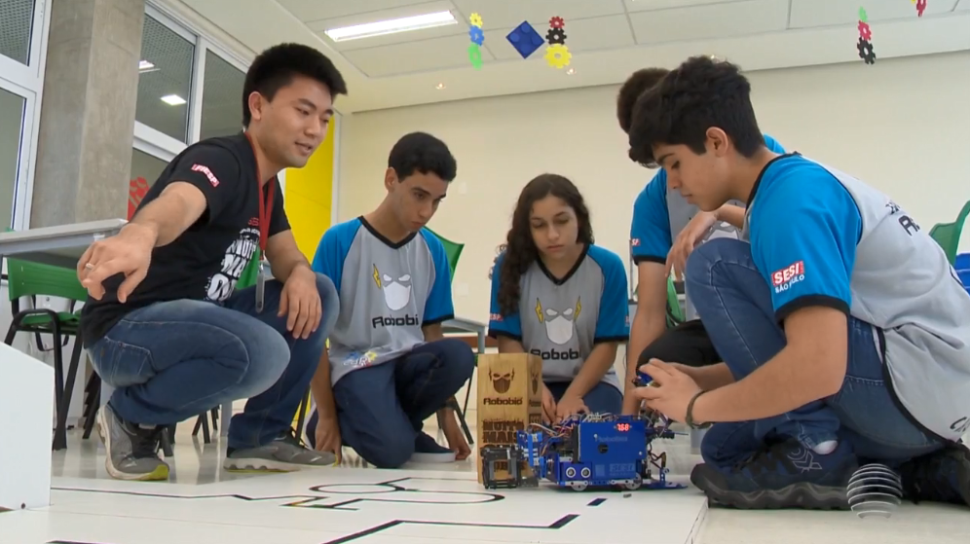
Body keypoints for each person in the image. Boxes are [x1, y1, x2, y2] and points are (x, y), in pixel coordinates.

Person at [628, 55, 970, 510]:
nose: (672, 184)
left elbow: (817, 365)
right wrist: (705, 382)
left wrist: (695, 408)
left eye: (673, 164)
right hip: (925, 399)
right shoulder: (784, 188)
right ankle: (908, 465)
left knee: (714, 264)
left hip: (916, 385)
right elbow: (789, 348)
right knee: (723, 451)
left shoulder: (790, 203)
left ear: (715, 141)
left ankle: (818, 451)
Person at [77, 43, 347, 481]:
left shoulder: (267, 188)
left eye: (324, 118)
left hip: (197, 322)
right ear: (257, 105)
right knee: (262, 352)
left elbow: (285, 253)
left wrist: (299, 273)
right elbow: (181, 201)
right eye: (303, 111)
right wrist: (141, 232)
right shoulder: (222, 159)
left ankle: (260, 435)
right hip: (127, 331)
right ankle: (130, 418)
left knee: (320, 291)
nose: (315, 129)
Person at [616, 67, 787, 416]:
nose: (675, 179)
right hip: (712, 325)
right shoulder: (652, 203)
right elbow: (648, 309)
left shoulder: (760, 153)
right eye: (663, 163)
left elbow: (783, 231)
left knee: (712, 262)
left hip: (774, 311)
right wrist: (630, 409)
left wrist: (715, 213)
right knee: (656, 364)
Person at [305, 132, 475, 469]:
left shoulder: (433, 250)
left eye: (437, 200)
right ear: (390, 179)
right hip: (358, 365)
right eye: (418, 195)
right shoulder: (339, 241)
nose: (427, 211)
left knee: (457, 355)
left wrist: (447, 418)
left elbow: (432, 334)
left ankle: (394, 426)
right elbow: (314, 336)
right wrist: (325, 415)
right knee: (392, 453)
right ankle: (358, 422)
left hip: (408, 366)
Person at [487, 174, 629, 421]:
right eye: (539, 225)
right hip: (530, 381)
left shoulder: (608, 267)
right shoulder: (509, 266)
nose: (552, 235)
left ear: (579, 219)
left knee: (581, 432)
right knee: (525, 442)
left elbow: (606, 347)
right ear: (527, 229)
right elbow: (508, 342)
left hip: (591, 384)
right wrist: (534, 388)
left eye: (561, 221)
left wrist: (573, 395)